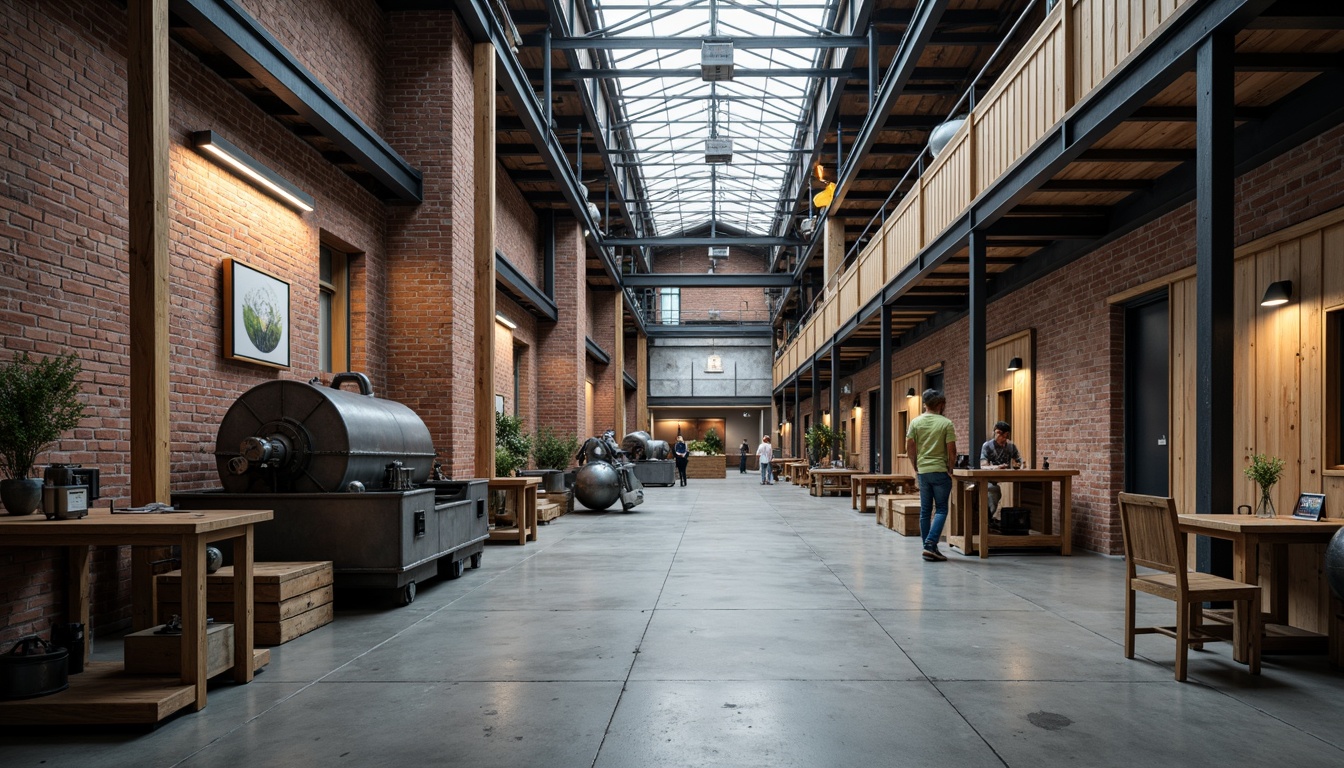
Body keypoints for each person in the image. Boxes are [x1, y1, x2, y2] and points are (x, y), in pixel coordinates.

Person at [905, 389, 957, 562]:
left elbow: (910, 447)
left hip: (924, 472)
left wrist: (915, 466)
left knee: (925, 510)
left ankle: (928, 547)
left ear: (924, 404)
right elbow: (952, 451)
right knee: (941, 508)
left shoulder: (915, 422)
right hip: (940, 471)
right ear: (941, 405)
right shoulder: (946, 423)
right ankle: (930, 544)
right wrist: (950, 469)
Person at [980, 421, 1022, 519]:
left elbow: (1019, 460)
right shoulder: (987, 446)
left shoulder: (1011, 446)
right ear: (996, 432)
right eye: (1002, 436)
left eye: (1006, 437)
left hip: (1008, 477)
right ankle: (987, 520)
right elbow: (983, 466)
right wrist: (996, 467)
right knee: (993, 491)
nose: (1003, 439)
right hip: (991, 479)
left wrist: (1018, 464)